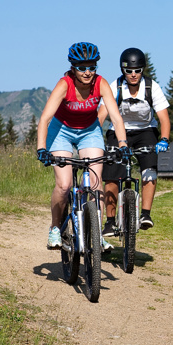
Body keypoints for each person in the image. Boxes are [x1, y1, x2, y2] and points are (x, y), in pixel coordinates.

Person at [36, 41, 130, 250]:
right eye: (81, 67)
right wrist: (42, 149)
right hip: (61, 132)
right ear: (73, 68)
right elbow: (44, 119)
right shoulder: (64, 85)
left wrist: (123, 144)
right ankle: (54, 229)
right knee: (64, 185)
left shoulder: (101, 83)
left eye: (91, 67)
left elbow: (115, 117)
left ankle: (96, 234)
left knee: (96, 186)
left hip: (89, 131)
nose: (87, 72)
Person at [99, 48, 171, 235]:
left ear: (142, 70)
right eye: (128, 71)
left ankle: (145, 214)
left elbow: (164, 118)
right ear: (123, 70)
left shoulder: (151, 87)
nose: (133, 74)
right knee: (112, 174)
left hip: (145, 131)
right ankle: (110, 221)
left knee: (149, 170)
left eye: (137, 70)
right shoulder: (115, 86)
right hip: (118, 130)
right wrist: (95, 136)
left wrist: (163, 139)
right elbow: (101, 115)